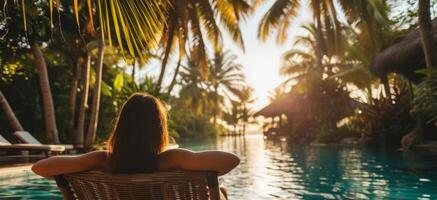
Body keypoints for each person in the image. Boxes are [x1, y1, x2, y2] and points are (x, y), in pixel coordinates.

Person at [32, 93, 239, 198]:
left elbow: (39, 168)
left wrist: (85, 162)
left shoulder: (104, 161)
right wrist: (178, 160)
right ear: (159, 130)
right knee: (221, 190)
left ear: (122, 127)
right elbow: (230, 161)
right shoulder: (168, 161)